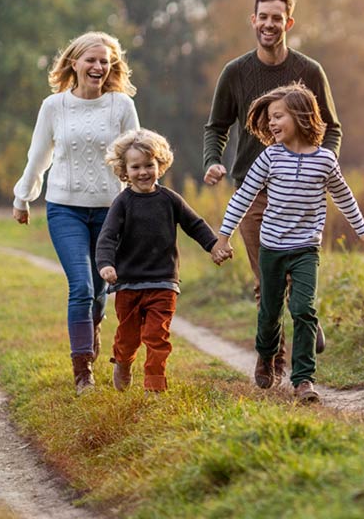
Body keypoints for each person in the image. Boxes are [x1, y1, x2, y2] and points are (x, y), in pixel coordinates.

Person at [203, 0, 338, 376]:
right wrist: (214, 161)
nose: (269, 24)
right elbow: (216, 127)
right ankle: (272, 360)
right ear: (253, 20)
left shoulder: (309, 71)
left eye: (276, 18)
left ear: (288, 23)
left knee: (299, 274)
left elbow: (332, 128)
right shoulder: (236, 72)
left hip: (301, 190)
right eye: (262, 17)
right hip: (254, 191)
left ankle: (304, 318)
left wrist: (322, 168)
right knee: (267, 278)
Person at [212, 83, 364, 404]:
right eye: (269, 118)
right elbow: (243, 196)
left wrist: (362, 230)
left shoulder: (325, 160)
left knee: (303, 309)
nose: (271, 124)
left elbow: (343, 195)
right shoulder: (269, 157)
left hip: (305, 250)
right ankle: (267, 356)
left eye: (277, 117)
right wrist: (223, 235)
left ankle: (304, 380)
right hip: (271, 248)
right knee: (270, 312)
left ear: (300, 116)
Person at [12, 31, 140, 395]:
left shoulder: (120, 106)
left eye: (105, 61)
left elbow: (137, 154)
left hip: (110, 213)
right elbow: (39, 156)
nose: (98, 67)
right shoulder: (54, 106)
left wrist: (143, 203)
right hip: (64, 208)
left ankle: (93, 327)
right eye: (91, 60)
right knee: (81, 286)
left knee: (100, 291)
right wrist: (23, 198)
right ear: (74, 63)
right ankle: (83, 372)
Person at [95, 129, 228, 393]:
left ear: (160, 165)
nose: (143, 172)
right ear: (124, 170)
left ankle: (154, 386)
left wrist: (214, 245)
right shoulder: (122, 203)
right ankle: (122, 362)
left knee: (157, 337)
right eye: (136, 167)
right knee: (129, 337)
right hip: (129, 283)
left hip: (164, 281)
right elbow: (107, 237)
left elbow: (195, 224)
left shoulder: (170, 200)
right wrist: (106, 265)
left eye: (149, 165)